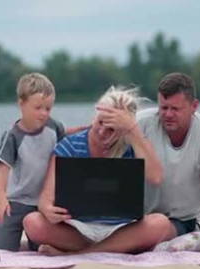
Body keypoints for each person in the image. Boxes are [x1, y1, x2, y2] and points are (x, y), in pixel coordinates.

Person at [22, 86, 174, 256]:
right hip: (78, 229)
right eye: (100, 122)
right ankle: (107, 249)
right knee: (32, 222)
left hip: (122, 229)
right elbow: (45, 199)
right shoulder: (71, 145)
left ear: (124, 129)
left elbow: (156, 177)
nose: (102, 132)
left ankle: (79, 253)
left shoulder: (132, 146)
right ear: (94, 116)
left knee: (161, 223)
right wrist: (48, 210)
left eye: (111, 129)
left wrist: (133, 130)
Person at [0, 72, 84, 251]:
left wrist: (85, 129)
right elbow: (2, 171)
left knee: (40, 251)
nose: (43, 113)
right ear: (21, 104)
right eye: (38, 107)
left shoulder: (53, 126)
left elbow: (66, 135)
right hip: (15, 203)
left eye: (48, 108)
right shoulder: (12, 136)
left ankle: (32, 244)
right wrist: (1, 199)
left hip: (43, 205)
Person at [137, 72, 200, 236]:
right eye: (163, 108)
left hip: (182, 223)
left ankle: (93, 251)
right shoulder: (140, 124)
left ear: (194, 106)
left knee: (157, 226)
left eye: (175, 109)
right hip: (138, 217)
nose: (168, 114)